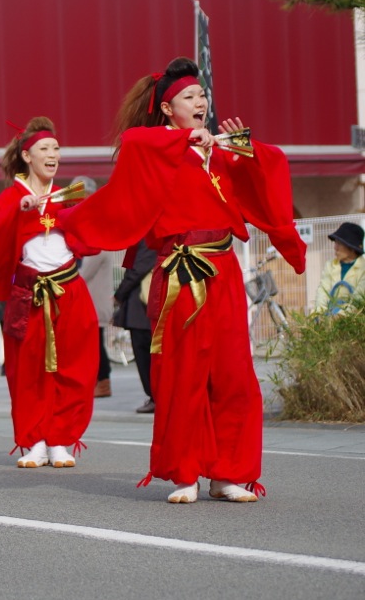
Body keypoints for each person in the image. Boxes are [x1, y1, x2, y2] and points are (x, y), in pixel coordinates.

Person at [61, 56, 305, 503]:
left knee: (233, 374)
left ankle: (228, 473)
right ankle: (186, 472)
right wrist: (185, 140)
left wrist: (243, 148)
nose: (201, 102)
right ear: (168, 109)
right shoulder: (156, 150)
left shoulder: (220, 150)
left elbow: (270, 168)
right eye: (190, 97)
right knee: (183, 374)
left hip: (223, 272)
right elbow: (133, 142)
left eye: (203, 96)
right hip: (178, 271)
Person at [0, 119, 99, 467]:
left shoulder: (66, 195)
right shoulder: (13, 196)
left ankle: (61, 439)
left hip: (68, 289)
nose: (53, 155)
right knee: (27, 372)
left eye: (56, 149)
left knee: (74, 367)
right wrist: (18, 209)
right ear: (27, 156)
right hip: (28, 295)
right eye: (45, 149)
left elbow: (91, 236)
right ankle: (35, 440)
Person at [114, 239, 158, 413]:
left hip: (143, 306)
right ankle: (155, 395)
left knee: (146, 354)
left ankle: (155, 395)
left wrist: (120, 294)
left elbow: (138, 268)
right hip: (143, 305)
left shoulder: (149, 235)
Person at [79, 246, 115, 399]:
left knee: (96, 344)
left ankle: (103, 380)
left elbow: (83, 274)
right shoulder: (101, 249)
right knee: (95, 344)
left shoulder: (98, 250)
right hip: (96, 304)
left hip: (95, 305)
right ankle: (100, 380)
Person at [313, 221, 365, 314]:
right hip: (331, 316)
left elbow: (358, 299)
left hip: (355, 319)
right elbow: (323, 292)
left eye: (339, 243)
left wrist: (339, 316)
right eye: (335, 243)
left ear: (351, 247)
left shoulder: (363, 267)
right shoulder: (330, 265)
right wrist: (319, 313)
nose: (335, 247)